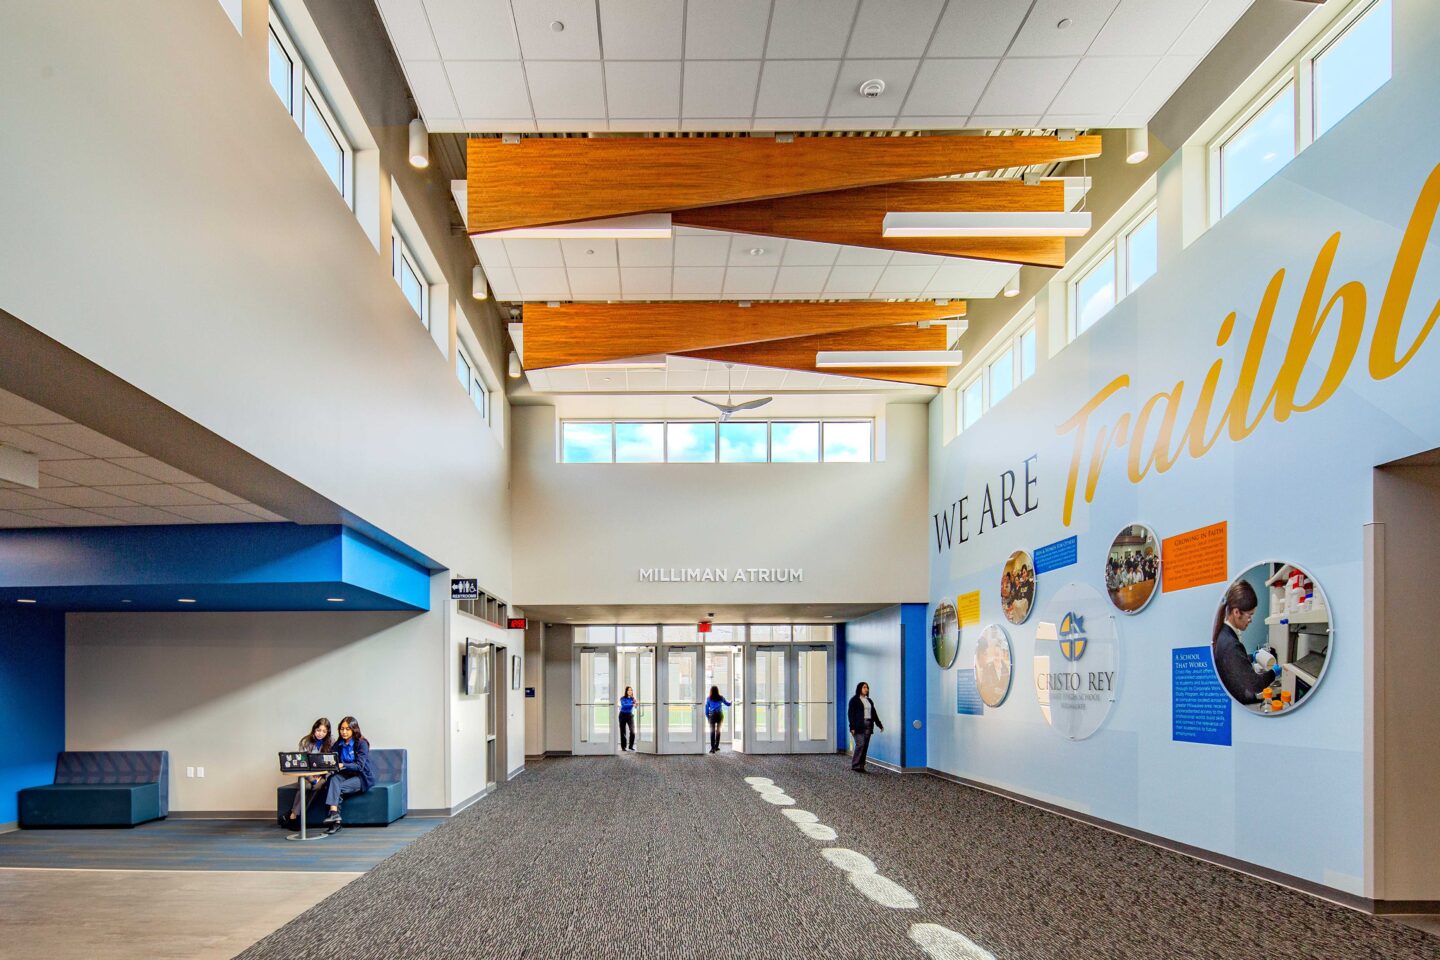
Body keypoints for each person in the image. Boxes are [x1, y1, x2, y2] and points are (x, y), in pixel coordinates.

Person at [1212, 580, 1281, 705]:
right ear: (1236, 612)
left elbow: (1233, 661)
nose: (1251, 620)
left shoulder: (1224, 634)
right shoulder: (1231, 644)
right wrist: (1274, 672)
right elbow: (1255, 685)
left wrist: (1251, 657)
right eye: (1249, 615)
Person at [322, 716, 372, 827]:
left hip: (361, 777)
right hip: (345, 775)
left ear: (354, 729)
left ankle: (335, 823)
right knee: (333, 779)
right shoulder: (338, 744)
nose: (344, 732)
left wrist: (342, 764)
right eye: (342, 729)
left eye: (347, 729)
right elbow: (331, 758)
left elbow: (359, 766)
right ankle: (334, 814)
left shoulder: (361, 743)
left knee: (336, 788)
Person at [287, 717, 332, 827]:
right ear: (314, 729)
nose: (320, 734)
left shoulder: (331, 742)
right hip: (306, 774)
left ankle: (296, 815)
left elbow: (332, 763)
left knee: (317, 786)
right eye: (318, 730)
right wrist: (312, 779)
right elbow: (301, 763)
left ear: (327, 732)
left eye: (324, 731)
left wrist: (320, 777)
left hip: (322, 775)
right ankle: (294, 815)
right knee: (306, 786)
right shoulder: (305, 741)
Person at [847, 682, 883, 772]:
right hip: (859, 725)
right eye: (864, 687)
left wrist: (879, 724)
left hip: (869, 724)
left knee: (865, 746)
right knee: (860, 744)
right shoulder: (854, 700)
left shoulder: (869, 700)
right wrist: (852, 727)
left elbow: (874, 713)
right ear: (859, 688)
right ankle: (855, 765)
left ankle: (861, 766)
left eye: (867, 687)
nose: (866, 689)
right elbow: (850, 714)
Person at [703, 686, 730, 753]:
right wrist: (732, 701)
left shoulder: (708, 698)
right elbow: (728, 704)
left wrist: (708, 717)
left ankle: (712, 748)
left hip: (712, 715)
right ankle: (716, 746)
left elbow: (706, 709)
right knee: (718, 731)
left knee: (712, 732)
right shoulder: (721, 697)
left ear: (711, 691)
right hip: (719, 715)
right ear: (717, 691)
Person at [618, 686, 637, 751]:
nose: (630, 691)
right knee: (623, 731)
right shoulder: (622, 698)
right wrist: (632, 704)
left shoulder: (633, 699)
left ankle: (630, 746)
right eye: (628, 690)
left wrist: (636, 704)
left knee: (632, 731)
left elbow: (635, 707)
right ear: (626, 691)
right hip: (622, 715)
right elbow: (624, 705)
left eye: (631, 690)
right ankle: (623, 747)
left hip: (630, 715)